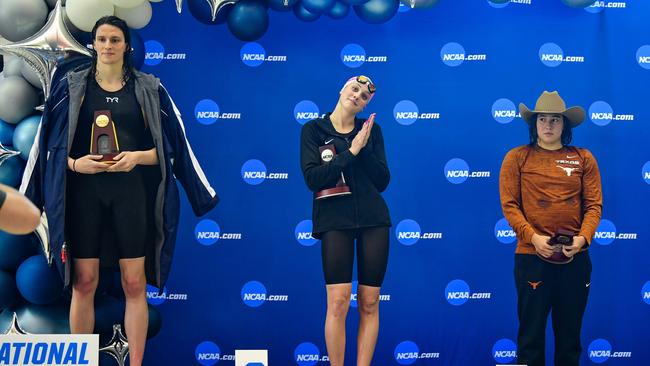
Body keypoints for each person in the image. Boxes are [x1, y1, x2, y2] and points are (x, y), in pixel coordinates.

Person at [20, 16, 218, 366]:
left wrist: (138, 158)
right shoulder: (69, 87)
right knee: (83, 283)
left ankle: (136, 362)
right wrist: (74, 165)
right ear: (93, 44)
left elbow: (173, 148)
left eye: (115, 40)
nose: (108, 46)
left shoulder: (150, 88)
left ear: (126, 46)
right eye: (102, 39)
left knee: (134, 284)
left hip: (132, 197)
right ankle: (81, 361)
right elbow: (47, 146)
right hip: (84, 198)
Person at [499, 91, 602, 366]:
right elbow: (510, 205)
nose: (547, 125)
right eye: (542, 119)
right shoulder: (517, 157)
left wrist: (582, 239)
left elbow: (593, 206)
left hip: (575, 260)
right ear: (533, 124)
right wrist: (533, 237)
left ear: (564, 125)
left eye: (555, 119)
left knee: (570, 340)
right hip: (531, 259)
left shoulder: (584, 158)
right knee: (530, 339)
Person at [300, 75, 391, 366]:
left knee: (369, 302)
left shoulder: (371, 132)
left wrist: (362, 147)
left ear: (367, 105)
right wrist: (350, 151)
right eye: (355, 88)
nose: (357, 96)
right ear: (342, 89)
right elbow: (313, 178)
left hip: (373, 220)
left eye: (364, 96)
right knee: (338, 302)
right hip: (334, 220)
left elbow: (382, 181)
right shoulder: (313, 129)